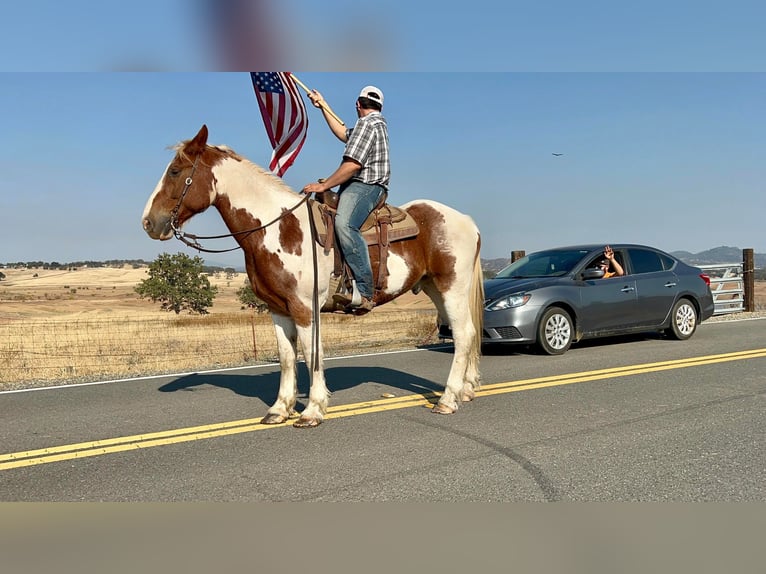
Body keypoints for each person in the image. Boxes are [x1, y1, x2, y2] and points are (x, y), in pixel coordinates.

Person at [302, 85, 390, 313]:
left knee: (344, 223)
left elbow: (353, 165)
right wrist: (322, 105)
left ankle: (365, 292)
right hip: (362, 184)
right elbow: (343, 133)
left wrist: (324, 185)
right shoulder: (373, 124)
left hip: (367, 186)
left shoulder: (367, 125)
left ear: (358, 105)